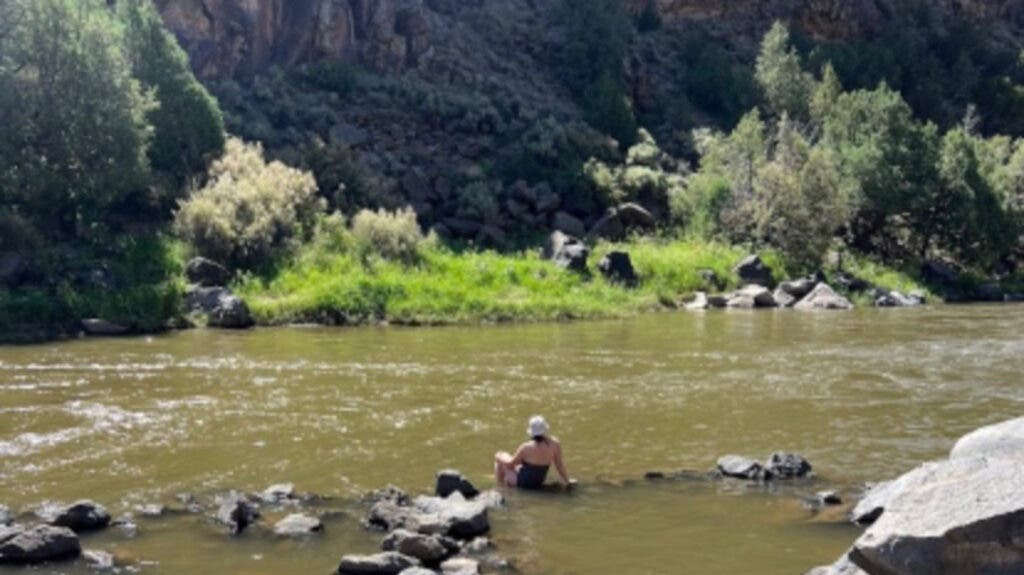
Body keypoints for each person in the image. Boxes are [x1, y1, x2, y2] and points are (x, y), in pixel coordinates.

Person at [494, 415, 572, 490]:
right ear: (545, 429)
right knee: (518, 464)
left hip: (522, 483)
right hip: (538, 483)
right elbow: (559, 465)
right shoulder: (555, 444)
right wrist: (567, 481)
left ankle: (500, 488)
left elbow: (510, 465)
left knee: (499, 461)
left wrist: (498, 456)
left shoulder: (526, 447)